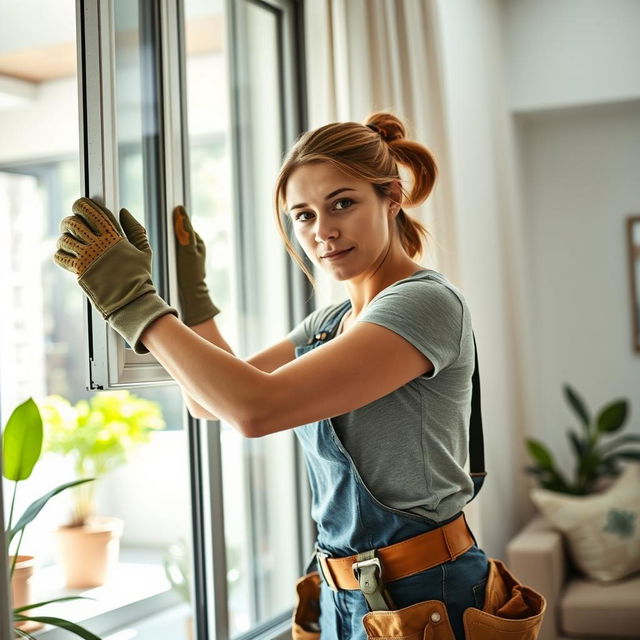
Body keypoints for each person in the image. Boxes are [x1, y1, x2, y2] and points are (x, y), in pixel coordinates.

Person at [53, 112, 545, 640]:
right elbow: (210, 401)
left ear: (393, 196)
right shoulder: (332, 322)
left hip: (426, 596)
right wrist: (192, 298)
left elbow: (255, 409)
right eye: (303, 215)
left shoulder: (423, 303)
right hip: (343, 594)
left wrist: (133, 302)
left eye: (342, 203)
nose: (322, 231)